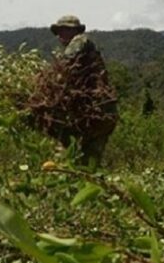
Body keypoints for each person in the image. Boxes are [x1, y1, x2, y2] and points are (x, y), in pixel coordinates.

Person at [48, 15, 118, 166]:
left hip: (94, 112)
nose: (59, 35)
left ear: (72, 30)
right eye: (58, 31)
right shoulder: (82, 48)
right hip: (99, 111)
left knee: (70, 157)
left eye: (63, 30)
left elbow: (64, 71)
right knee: (88, 161)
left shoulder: (79, 41)